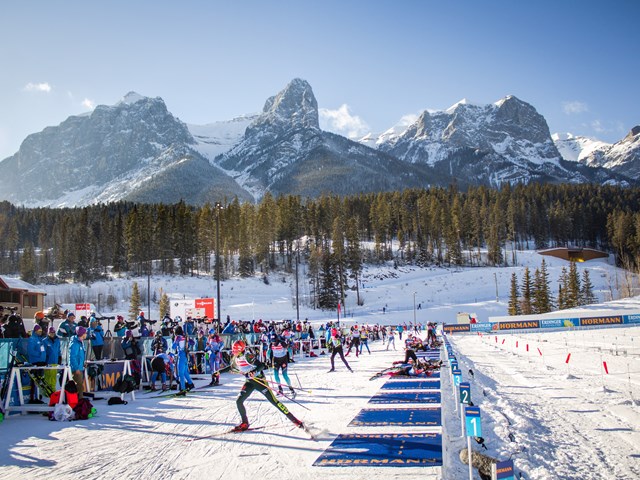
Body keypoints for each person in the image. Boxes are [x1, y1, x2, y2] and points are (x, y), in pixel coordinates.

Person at [231, 340, 304, 432]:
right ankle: (245, 423)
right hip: (249, 382)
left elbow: (261, 365)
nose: (233, 351)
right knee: (239, 401)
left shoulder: (248, 356)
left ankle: (295, 420)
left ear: (240, 349)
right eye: (233, 349)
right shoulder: (235, 357)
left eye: (235, 349)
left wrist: (253, 372)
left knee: (274, 402)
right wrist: (218, 372)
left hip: (259, 381)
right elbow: (231, 367)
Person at [69, 326, 88, 399]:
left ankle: (80, 399)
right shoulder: (75, 344)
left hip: (80, 367)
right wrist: (76, 368)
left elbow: (80, 355)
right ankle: (79, 400)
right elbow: (73, 357)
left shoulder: (81, 342)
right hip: (76, 368)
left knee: (80, 385)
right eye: (85, 333)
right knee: (79, 385)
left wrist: (83, 363)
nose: (86, 334)